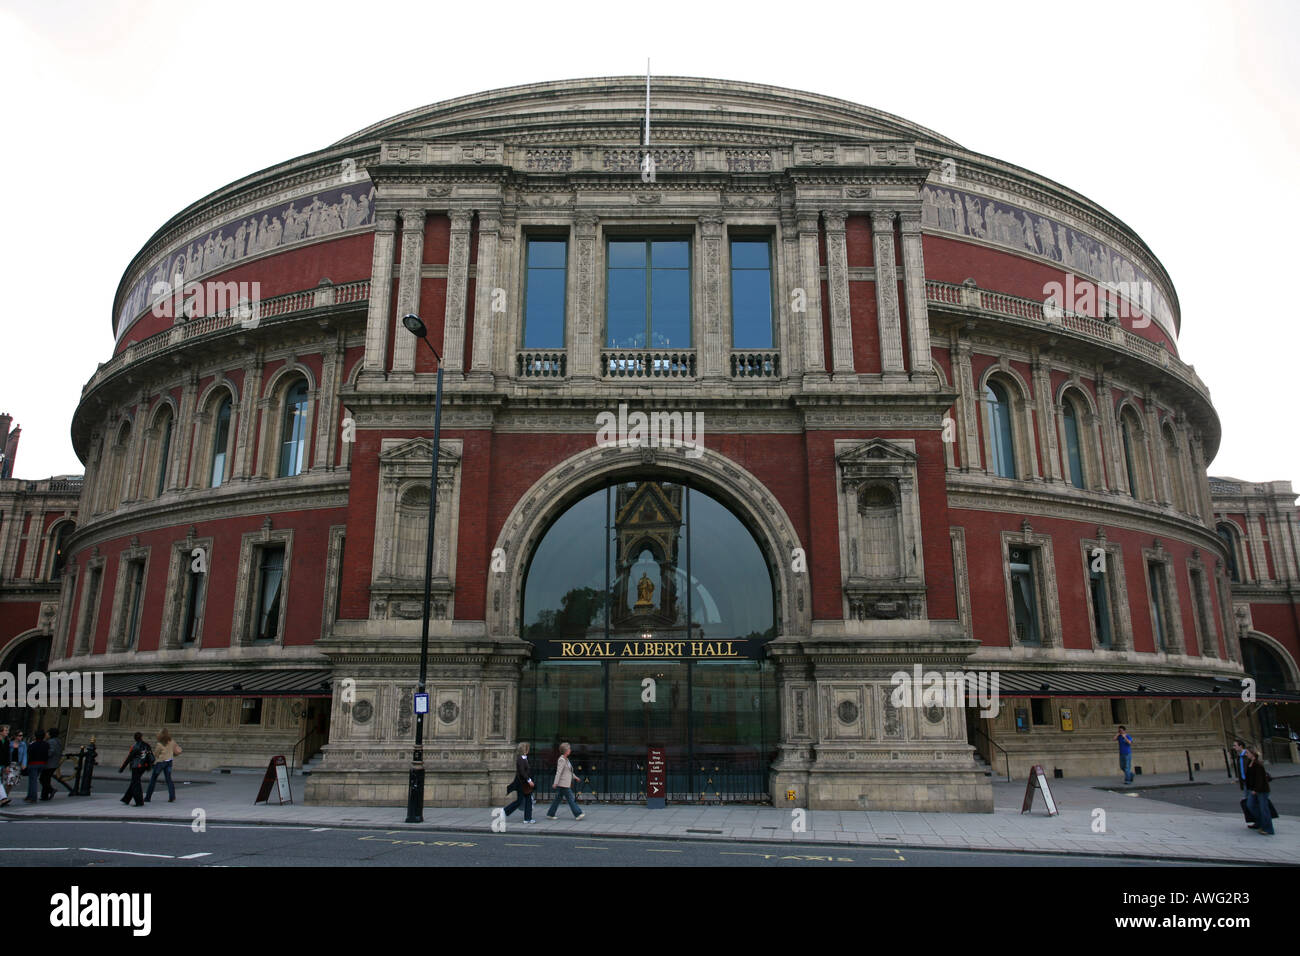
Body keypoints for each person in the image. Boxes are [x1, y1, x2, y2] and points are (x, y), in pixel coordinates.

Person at [545, 742, 585, 820]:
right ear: (566, 751)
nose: (570, 750)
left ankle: (550, 813)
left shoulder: (566, 759)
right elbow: (558, 772)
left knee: (557, 799)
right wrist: (555, 783)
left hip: (565, 783)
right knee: (570, 799)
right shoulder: (562, 760)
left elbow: (569, 771)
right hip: (563, 784)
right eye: (569, 749)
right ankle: (578, 813)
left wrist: (575, 777)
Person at [145, 729, 182, 803]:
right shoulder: (172, 741)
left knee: (153, 779)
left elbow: (156, 754)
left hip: (160, 763)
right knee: (169, 779)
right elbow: (176, 750)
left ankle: (148, 797)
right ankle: (172, 796)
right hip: (169, 762)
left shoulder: (160, 744)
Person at [1244, 747, 1274, 836]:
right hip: (1253, 789)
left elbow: (1260, 779)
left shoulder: (1258, 765)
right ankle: (1259, 822)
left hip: (1261, 790)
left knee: (1264, 809)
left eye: (1247, 753)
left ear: (1252, 754)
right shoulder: (1250, 762)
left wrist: (1256, 790)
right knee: (1250, 805)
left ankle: (1268, 829)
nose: (1246, 754)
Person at [503, 742, 535, 823]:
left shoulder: (524, 758)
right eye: (527, 748)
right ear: (525, 750)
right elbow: (522, 772)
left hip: (525, 784)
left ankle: (528, 818)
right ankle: (505, 811)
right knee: (520, 801)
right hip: (522, 783)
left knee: (528, 800)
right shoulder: (520, 759)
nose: (529, 750)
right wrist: (529, 780)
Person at [119, 732, 151, 807]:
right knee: (135, 782)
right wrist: (149, 766)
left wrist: (122, 768)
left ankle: (139, 801)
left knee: (136, 784)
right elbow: (149, 755)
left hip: (136, 766)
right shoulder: (146, 745)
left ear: (135, 738)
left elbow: (129, 758)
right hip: (143, 766)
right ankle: (126, 798)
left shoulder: (135, 746)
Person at [40, 729, 67, 800]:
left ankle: (51, 790)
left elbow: (51, 752)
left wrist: (44, 755)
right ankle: (44, 796)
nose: (46, 734)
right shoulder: (58, 741)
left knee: (43, 779)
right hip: (55, 763)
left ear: (50, 734)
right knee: (47, 779)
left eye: (47, 733)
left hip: (49, 763)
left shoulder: (51, 742)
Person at [24, 728, 48, 803]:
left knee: (33, 781)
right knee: (33, 780)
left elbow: (29, 754)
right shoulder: (46, 744)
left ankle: (32, 797)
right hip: (42, 763)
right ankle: (29, 795)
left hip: (33, 763)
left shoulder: (33, 745)